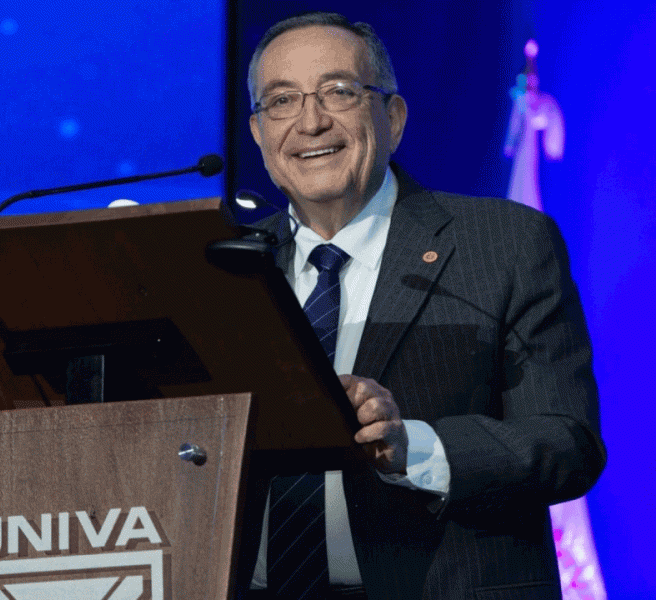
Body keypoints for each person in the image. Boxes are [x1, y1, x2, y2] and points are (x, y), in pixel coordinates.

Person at [241, 12, 606, 600]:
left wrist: (414, 447)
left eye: (339, 91)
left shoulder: (506, 244)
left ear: (393, 118)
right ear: (259, 132)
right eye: (282, 101)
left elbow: (568, 443)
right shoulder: (227, 266)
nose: (310, 122)